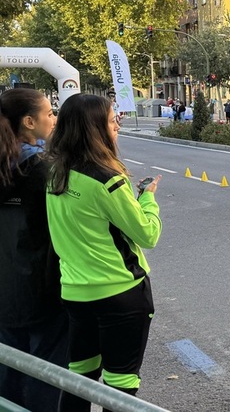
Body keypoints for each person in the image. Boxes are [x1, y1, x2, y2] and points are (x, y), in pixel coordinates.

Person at [45, 93, 162, 408]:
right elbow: (147, 234)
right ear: (96, 129)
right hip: (120, 294)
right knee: (120, 387)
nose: (117, 127)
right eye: (112, 121)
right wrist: (148, 198)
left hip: (75, 293)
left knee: (79, 379)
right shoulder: (108, 181)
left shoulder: (55, 173)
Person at [0, 88, 65, 410]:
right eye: (49, 113)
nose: (54, 118)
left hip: (5, 289)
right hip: (42, 289)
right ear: (29, 121)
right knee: (46, 377)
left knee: (7, 373)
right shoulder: (43, 170)